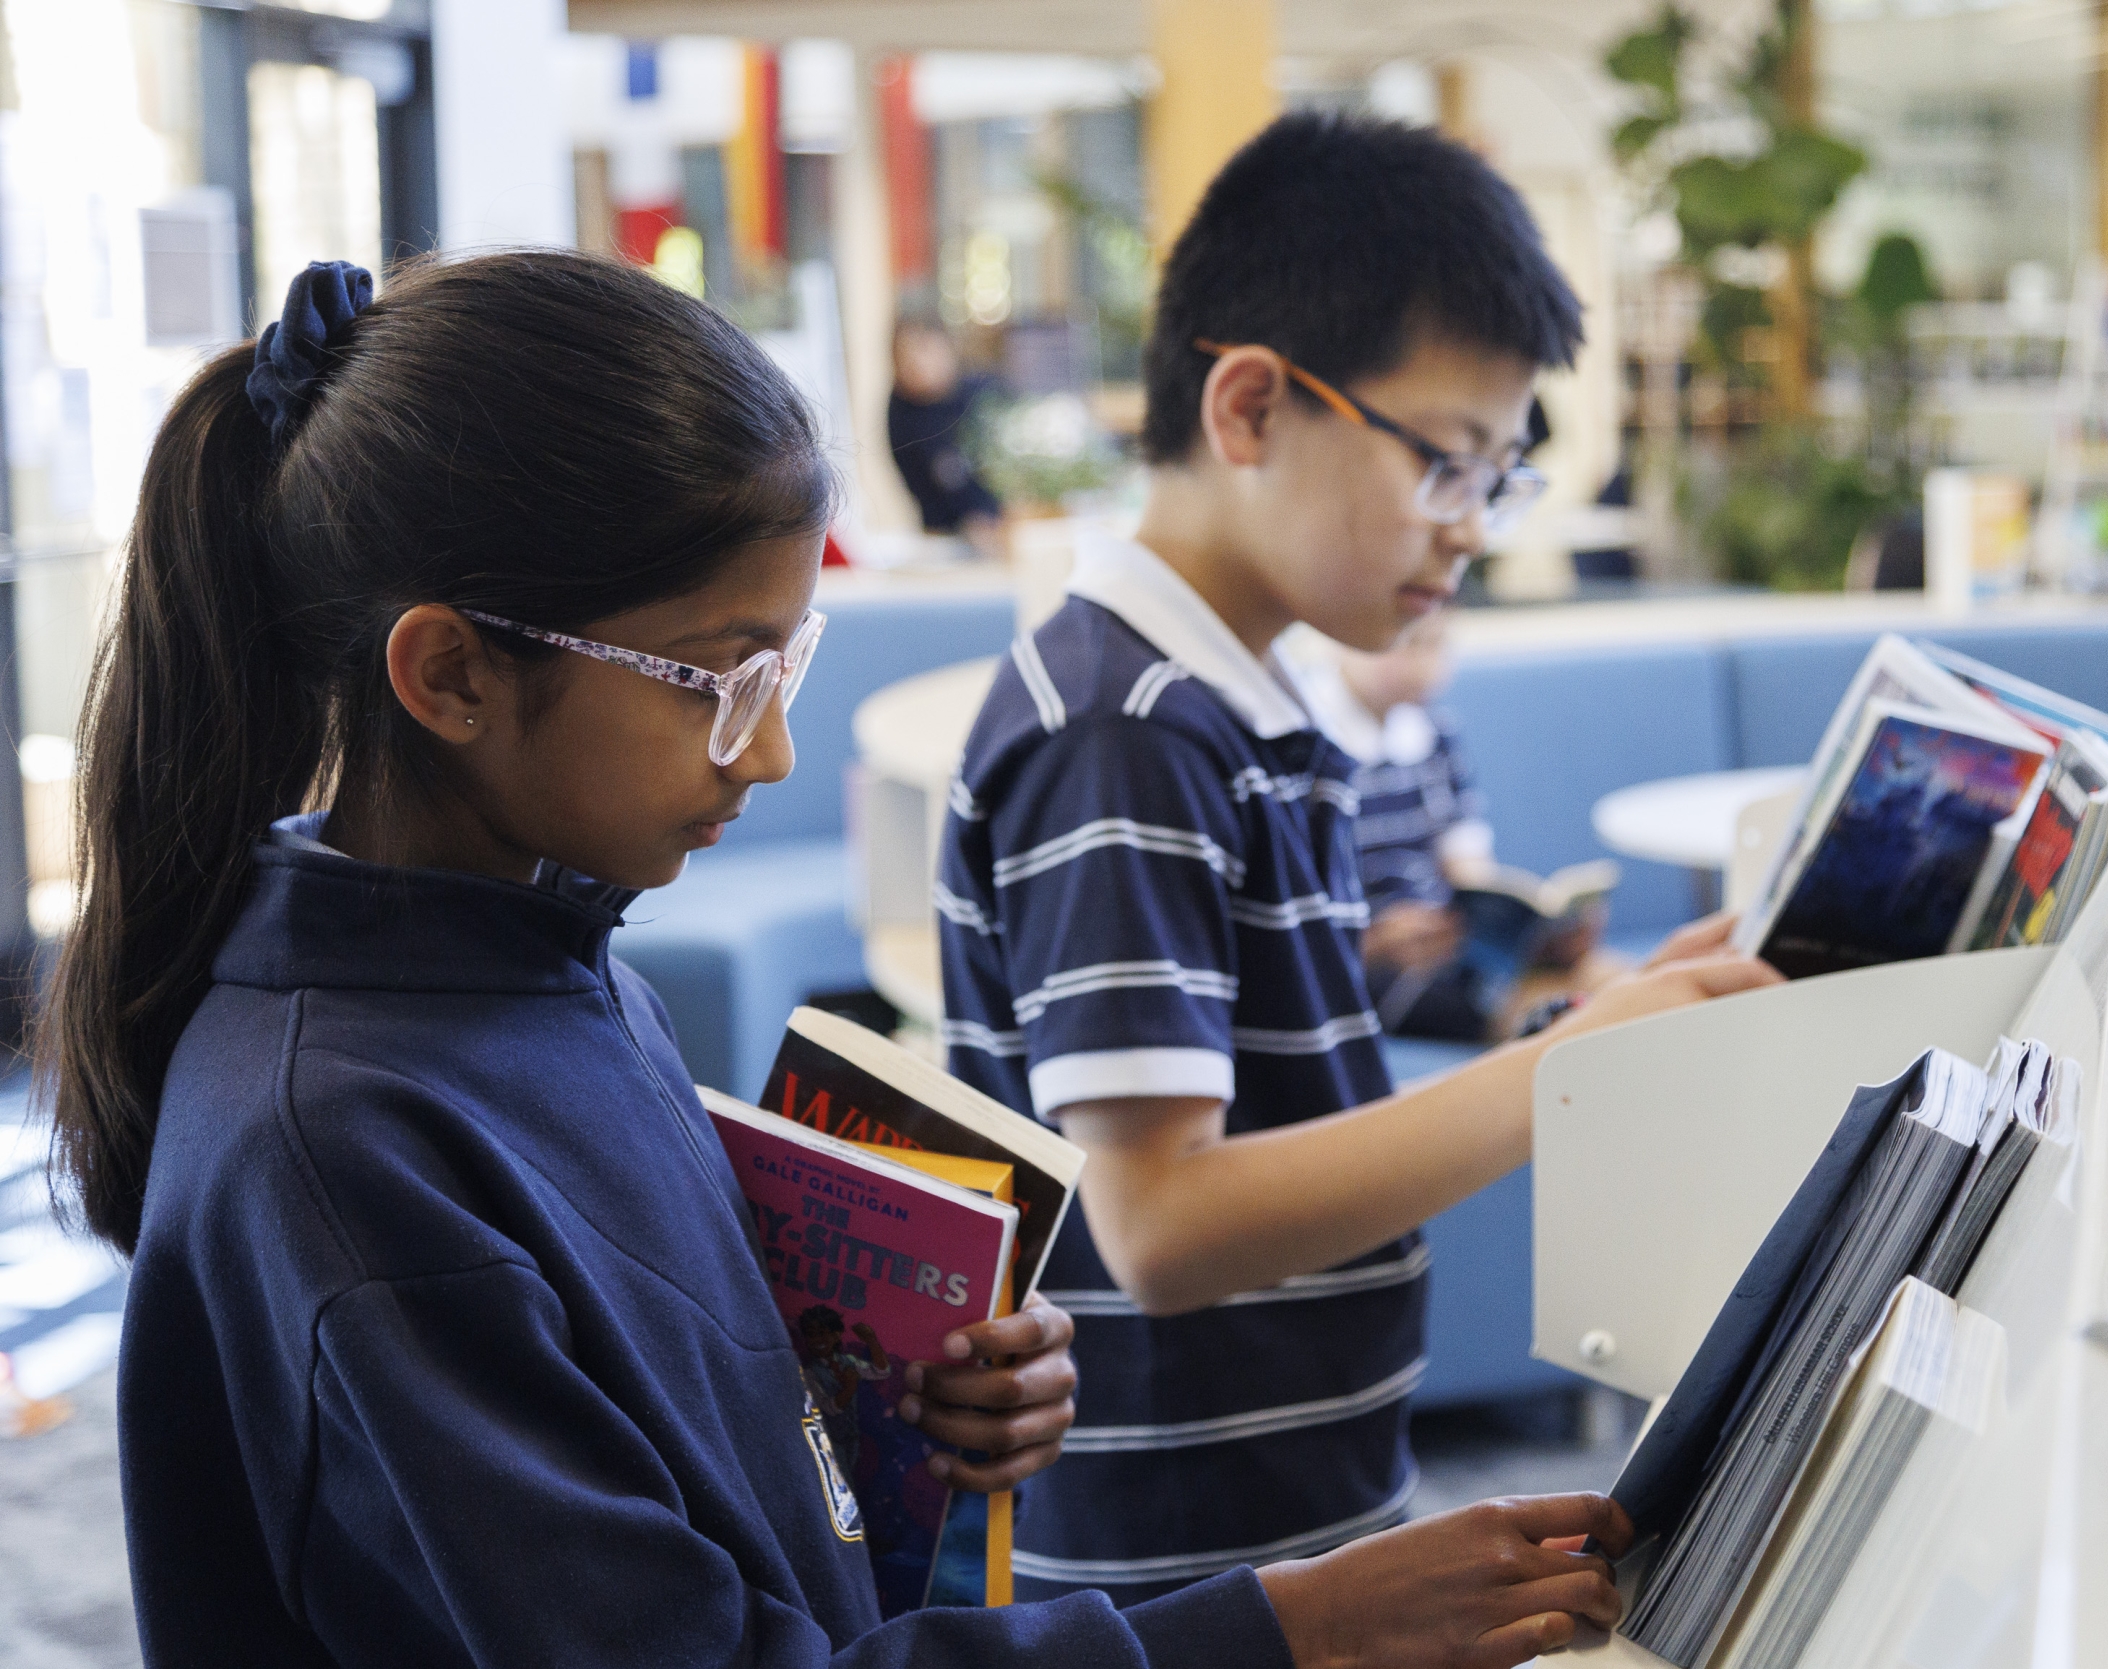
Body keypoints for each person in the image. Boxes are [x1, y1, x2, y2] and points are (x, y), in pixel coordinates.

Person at [45, 251, 1636, 1669]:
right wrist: (1290, 1628)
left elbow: (692, 1458)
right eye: (721, 679)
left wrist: (894, 1414)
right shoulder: (342, 1154)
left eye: (787, 661)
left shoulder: (561, 964)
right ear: (451, 672)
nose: (777, 750)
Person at [936, 113, 1783, 1608]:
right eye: (1447, 466)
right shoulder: (1126, 732)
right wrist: (1564, 1065)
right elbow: (1162, 1225)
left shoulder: (1239, 709)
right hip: (1169, 1577)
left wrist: (1582, 1016)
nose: (1469, 534)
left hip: (1283, 1531)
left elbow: (1286, 1104)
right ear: (1251, 406)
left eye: (1499, 480)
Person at [1293, 615, 1618, 1043]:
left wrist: (1535, 932)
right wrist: (1372, 942)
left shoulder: (1434, 734)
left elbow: (1468, 870)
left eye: (1435, 645)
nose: (1421, 665)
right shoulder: (1307, 745)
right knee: (1558, 1008)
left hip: (1445, 944)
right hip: (1370, 967)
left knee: (1605, 973)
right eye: (1404, 643)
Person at [885, 315, 1004, 559]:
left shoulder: (984, 395)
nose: (915, 363)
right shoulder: (901, 411)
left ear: (948, 348)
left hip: (1002, 530)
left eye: (924, 349)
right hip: (943, 538)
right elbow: (917, 479)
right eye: (903, 355)